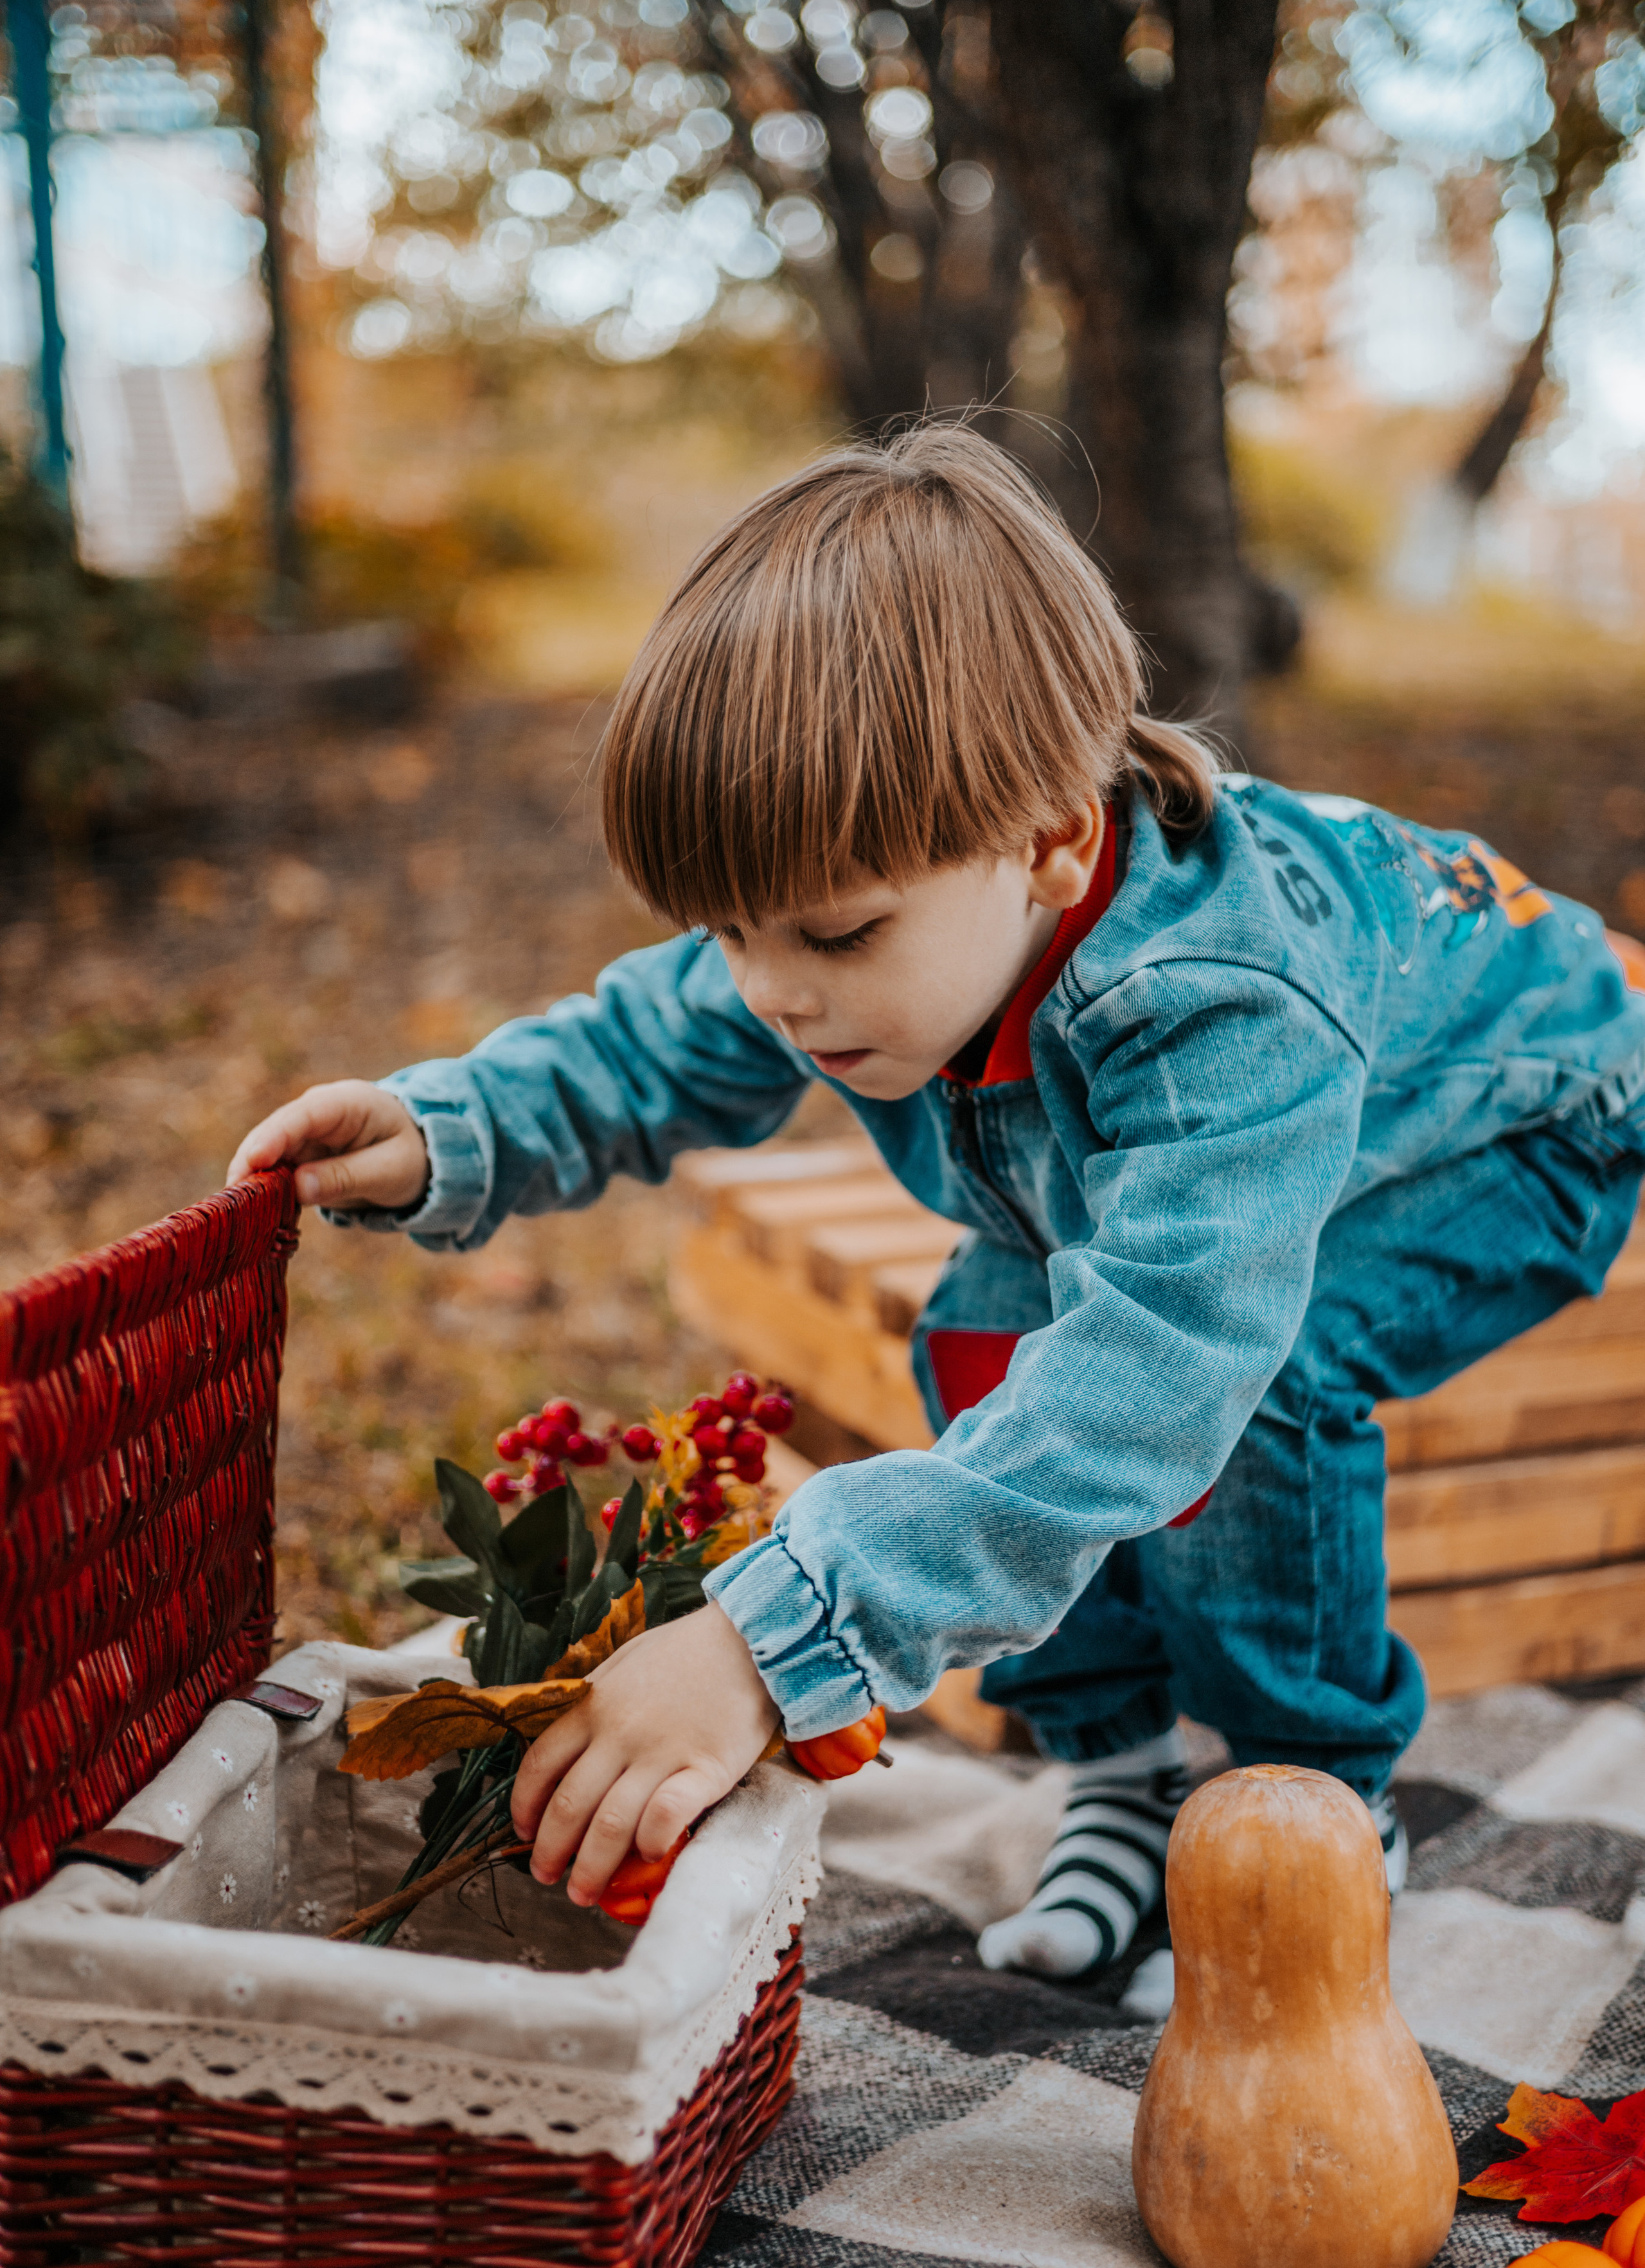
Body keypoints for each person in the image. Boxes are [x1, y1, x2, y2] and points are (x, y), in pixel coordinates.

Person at [229, 423, 1645, 2002]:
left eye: (830, 934)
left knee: (1261, 1376)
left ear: (1049, 838)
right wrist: (451, 1126)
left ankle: (1301, 1802)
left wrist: (782, 1632)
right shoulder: (857, 907)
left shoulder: (1215, 1004)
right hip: (1245, 1133)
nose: (771, 991)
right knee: (985, 1326)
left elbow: (1164, 1361)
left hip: (1525, 1125)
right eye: (731, 931)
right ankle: (1115, 1773)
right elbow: (652, 1038)